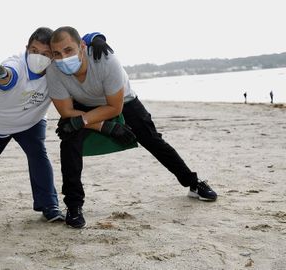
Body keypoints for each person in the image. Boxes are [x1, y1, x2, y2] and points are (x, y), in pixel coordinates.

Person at [46, 26, 218, 229]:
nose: (63, 58)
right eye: (57, 53)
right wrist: (105, 127)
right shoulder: (53, 70)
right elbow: (66, 112)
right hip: (84, 105)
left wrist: (87, 121)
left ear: (82, 46)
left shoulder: (106, 60)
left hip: (121, 100)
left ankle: (193, 183)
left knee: (152, 139)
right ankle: (74, 206)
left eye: (68, 50)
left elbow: (114, 107)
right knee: (69, 141)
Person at [0, 27, 111, 222]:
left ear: (52, 55)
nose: (38, 56)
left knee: (39, 156)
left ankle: (49, 205)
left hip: (31, 122)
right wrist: (1, 74)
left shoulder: (57, 69)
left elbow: (75, 41)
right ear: (27, 48)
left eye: (46, 53)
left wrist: (97, 38)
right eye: (34, 51)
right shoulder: (16, 63)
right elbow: (8, 76)